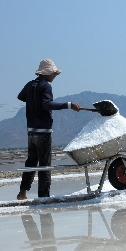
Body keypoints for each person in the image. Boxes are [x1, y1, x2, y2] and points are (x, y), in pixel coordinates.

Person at [17, 59, 80, 200]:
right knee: (45, 166)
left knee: (31, 163)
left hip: (31, 131)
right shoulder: (46, 86)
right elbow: (47, 104)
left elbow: (21, 97)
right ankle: (44, 197)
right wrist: (68, 105)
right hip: (43, 132)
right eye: (53, 73)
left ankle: (22, 193)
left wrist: (33, 100)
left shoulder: (30, 84)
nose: (55, 76)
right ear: (46, 73)